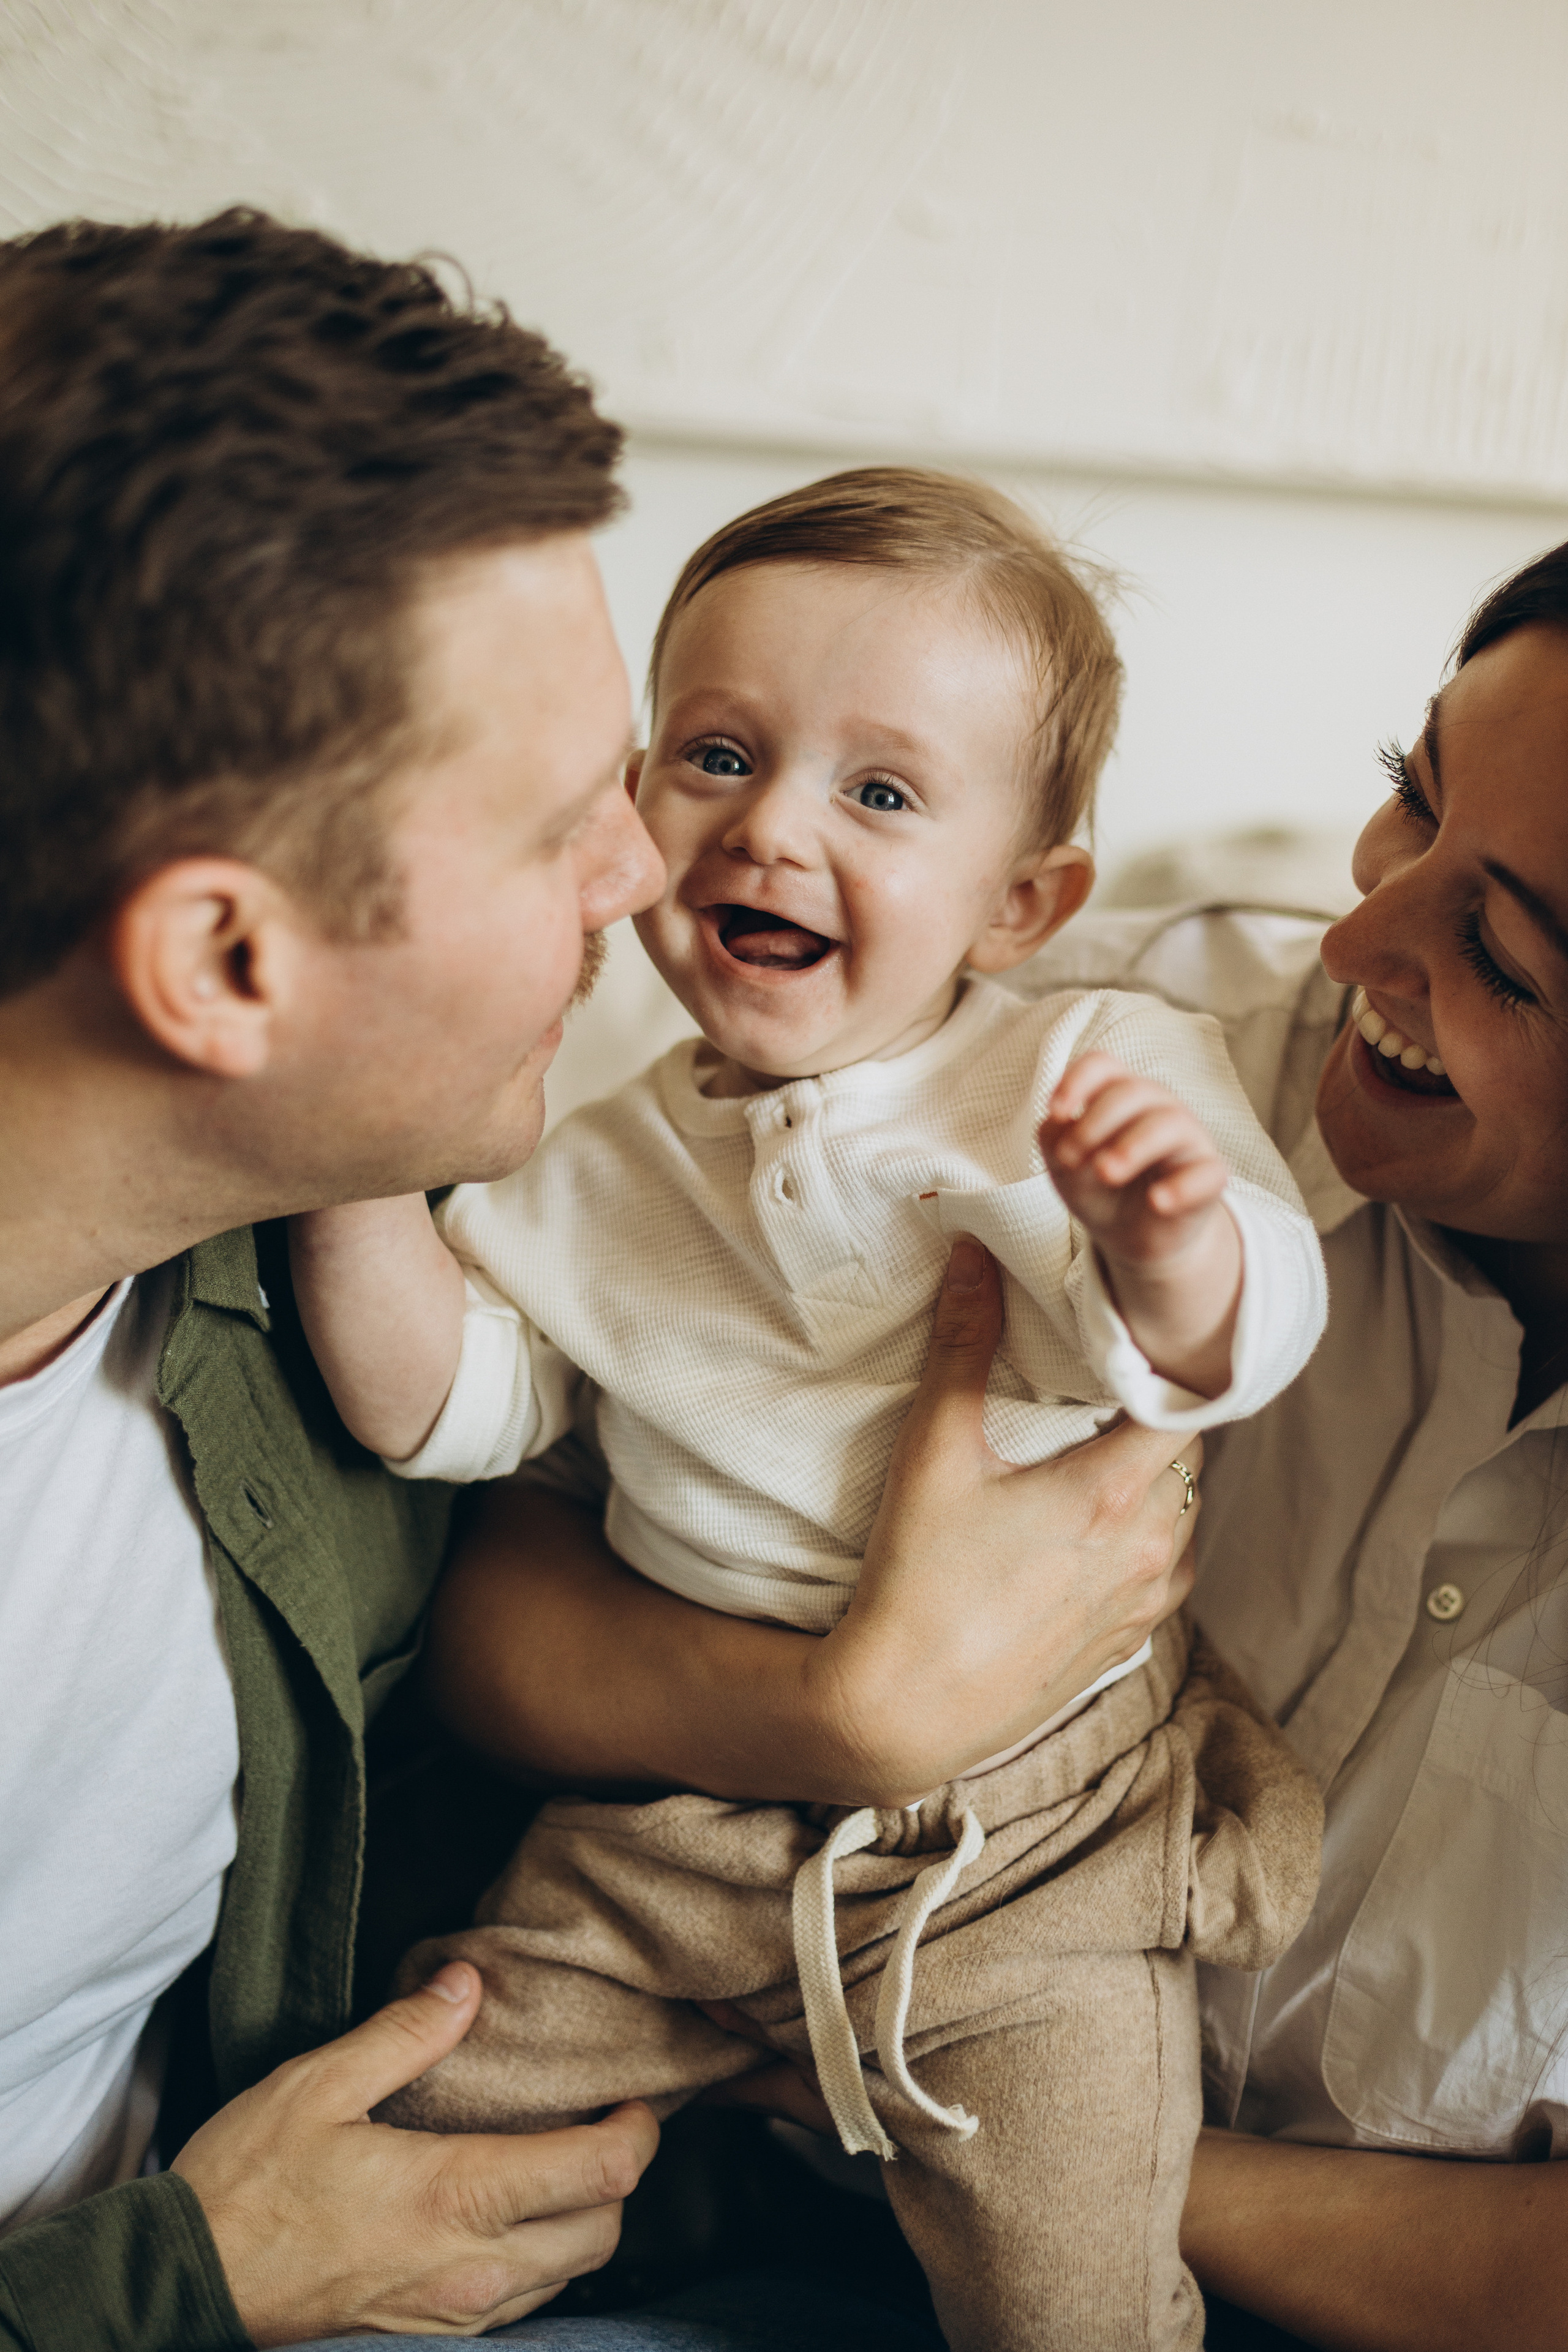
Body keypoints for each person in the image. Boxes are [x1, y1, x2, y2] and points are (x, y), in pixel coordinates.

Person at [0, 210, 1202, 2351]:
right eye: (583, 807)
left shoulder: (271, 1265)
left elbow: (502, 1562)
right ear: (223, 965)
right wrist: (182, 2283)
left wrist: (842, 1712)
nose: (657, 868)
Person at [440, 541, 1568, 2352]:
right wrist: (837, 1718)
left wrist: (1010, 2134)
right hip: (747, 2101)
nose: (1357, 937)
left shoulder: (1142, 1148)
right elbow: (508, 1562)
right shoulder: (1042, 1044)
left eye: (1506, 955)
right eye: (1406, 796)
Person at [290, 470, 1325, 2351]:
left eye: (879, 793)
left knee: (1077, 2282)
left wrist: (1166, 1237)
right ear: (628, 804)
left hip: (1028, 1852)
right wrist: (357, 1174)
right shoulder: (577, 1161)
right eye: (714, 754)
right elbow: (446, 1408)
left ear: (1025, 899)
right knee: (411, 2144)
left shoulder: (1092, 1077)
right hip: (658, 1838)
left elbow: (1232, 1342)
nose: (770, 828)